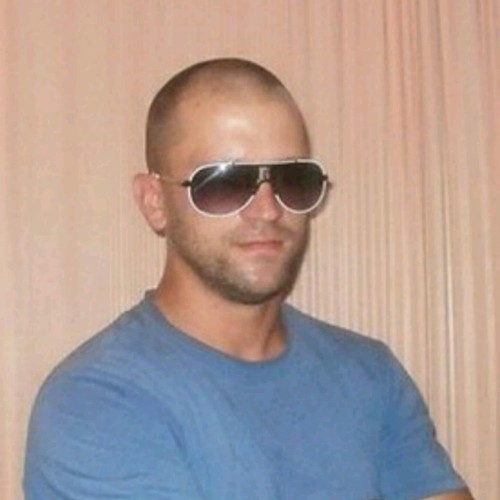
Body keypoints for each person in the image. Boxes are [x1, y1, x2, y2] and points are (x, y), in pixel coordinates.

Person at [24, 58, 473, 499]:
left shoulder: (369, 374)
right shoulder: (96, 401)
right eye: (224, 183)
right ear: (154, 201)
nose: (267, 209)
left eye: (292, 179)